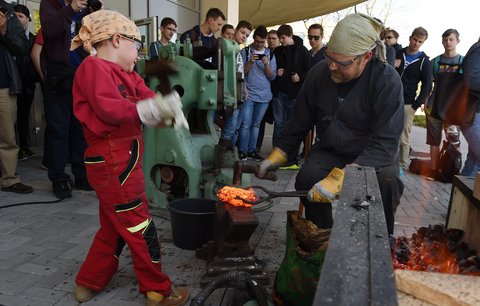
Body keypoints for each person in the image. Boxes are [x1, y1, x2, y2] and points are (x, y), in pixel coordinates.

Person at [70, 10, 189, 306]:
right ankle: (157, 291)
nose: (138, 53)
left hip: (122, 160)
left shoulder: (127, 73)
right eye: (136, 45)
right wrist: (147, 111)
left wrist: (166, 107)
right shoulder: (93, 67)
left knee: (115, 225)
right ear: (116, 39)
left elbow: (146, 94)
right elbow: (110, 109)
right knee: (138, 225)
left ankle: (88, 282)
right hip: (113, 160)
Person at [258, 13, 404, 235]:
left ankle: (380, 238)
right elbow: (299, 122)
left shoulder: (387, 81)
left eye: (341, 62)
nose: (332, 67)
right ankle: (324, 234)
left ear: (365, 56)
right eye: (329, 58)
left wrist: (343, 177)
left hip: (373, 154)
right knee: (307, 177)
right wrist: (279, 154)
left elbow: (385, 143)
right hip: (332, 149)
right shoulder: (319, 74)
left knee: (386, 181)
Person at [40, 0, 93, 198]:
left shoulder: (85, 9)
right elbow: (50, 29)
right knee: (58, 129)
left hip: (82, 75)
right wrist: (70, 10)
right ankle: (59, 178)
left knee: (80, 129)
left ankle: (81, 175)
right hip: (58, 75)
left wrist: (96, 13)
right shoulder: (50, 4)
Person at [0, 0, 33, 194]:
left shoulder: (7, 11)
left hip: (3, 85)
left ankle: (10, 179)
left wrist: (4, 32)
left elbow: (22, 47)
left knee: (7, 137)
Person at [426, 29, 463, 180]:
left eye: (451, 39)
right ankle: (434, 171)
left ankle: (453, 170)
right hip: (434, 107)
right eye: (445, 40)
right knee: (434, 142)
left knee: (454, 141)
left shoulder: (463, 62)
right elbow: (428, 84)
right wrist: (425, 100)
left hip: (453, 110)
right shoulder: (434, 62)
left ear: (457, 41)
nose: (448, 42)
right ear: (442, 42)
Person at [395, 27, 432, 177]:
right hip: (391, 100)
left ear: (423, 43)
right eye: (415, 39)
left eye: (420, 41)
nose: (416, 43)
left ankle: (402, 165)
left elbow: (427, 85)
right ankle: (386, 161)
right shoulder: (398, 54)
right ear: (410, 38)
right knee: (387, 133)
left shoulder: (424, 61)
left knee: (403, 136)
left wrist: (416, 104)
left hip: (408, 103)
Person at [237, 25, 276, 161]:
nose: (259, 45)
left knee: (256, 124)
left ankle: (252, 150)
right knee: (245, 124)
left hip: (264, 96)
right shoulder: (246, 51)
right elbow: (241, 73)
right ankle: (242, 150)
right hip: (248, 94)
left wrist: (266, 64)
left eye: (262, 42)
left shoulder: (270, 54)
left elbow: (272, 77)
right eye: (257, 41)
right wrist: (250, 62)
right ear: (253, 38)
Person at [271, 24, 308, 169]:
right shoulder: (278, 50)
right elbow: (271, 70)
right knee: (279, 125)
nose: (281, 40)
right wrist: (276, 72)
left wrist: (300, 77)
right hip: (280, 92)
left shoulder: (302, 50)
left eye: (283, 37)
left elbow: (309, 71)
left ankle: (291, 158)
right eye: (279, 38)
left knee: (291, 126)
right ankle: (276, 157)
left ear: (290, 35)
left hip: (294, 94)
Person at [218, 20, 252, 147]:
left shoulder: (238, 50)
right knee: (231, 123)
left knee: (237, 125)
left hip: (241, 88)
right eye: (242, 32)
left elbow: (240, 72)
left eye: (247, 35)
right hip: (231, 89)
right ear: (236, 30)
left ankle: (231, 152)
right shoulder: (228, 48)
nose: (244, 36)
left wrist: (245, 89)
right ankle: (224, 151)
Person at [14, 4, 39, 161]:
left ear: (28, 19)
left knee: (24, 116)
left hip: (27, 83)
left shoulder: (33, 39)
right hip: (11, 83)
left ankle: (24, 146)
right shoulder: (7, 37)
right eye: (15, 16)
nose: (17, 19)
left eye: (21, 16)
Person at [459, 39, 480, 176]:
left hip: (476, 115)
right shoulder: (478, 50)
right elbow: (470, 80)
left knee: (474, 163)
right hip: (473, 115)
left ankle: (461, 197)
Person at [256, 29, 280, 152]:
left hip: (277, 92)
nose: (271, 41)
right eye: (269, 38)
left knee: (278, 121)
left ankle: (276, 148)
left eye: (273, 38)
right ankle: (257, 145)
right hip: (263, 92)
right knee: (260, 120)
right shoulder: (262, 52)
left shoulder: (281, 52)